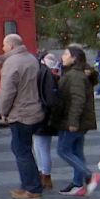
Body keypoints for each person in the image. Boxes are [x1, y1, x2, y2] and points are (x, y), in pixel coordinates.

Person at [0, 34, 44, 199]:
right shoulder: (31, 59)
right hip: (35, 110)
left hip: (20, 113)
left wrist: (2, 110)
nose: (2, 48)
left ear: (10, 46)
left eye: (4, 45)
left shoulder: (11, 63)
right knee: (25, 149)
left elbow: (7, 91)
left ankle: (32, 188)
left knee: (21, 151)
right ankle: (30, 184)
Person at [53, 46, 100, 196]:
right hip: (79, 120)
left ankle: (88, 175)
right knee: (76, 151)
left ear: (74, 58)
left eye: (66, 54)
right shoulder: (75, 73)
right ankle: (77, 183)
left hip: (72, 120)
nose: (62, 56)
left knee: (63, 150)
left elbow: (78, 100)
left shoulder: (75, 76)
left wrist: (73, 121)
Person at [33, 52, 61, 190]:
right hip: (46, 117)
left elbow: (48, 99)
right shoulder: (50, 74)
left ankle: (45, 175)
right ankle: (43, 174)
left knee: (41, 148)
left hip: (42, 117)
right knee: (40, 147)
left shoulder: (43, 73)